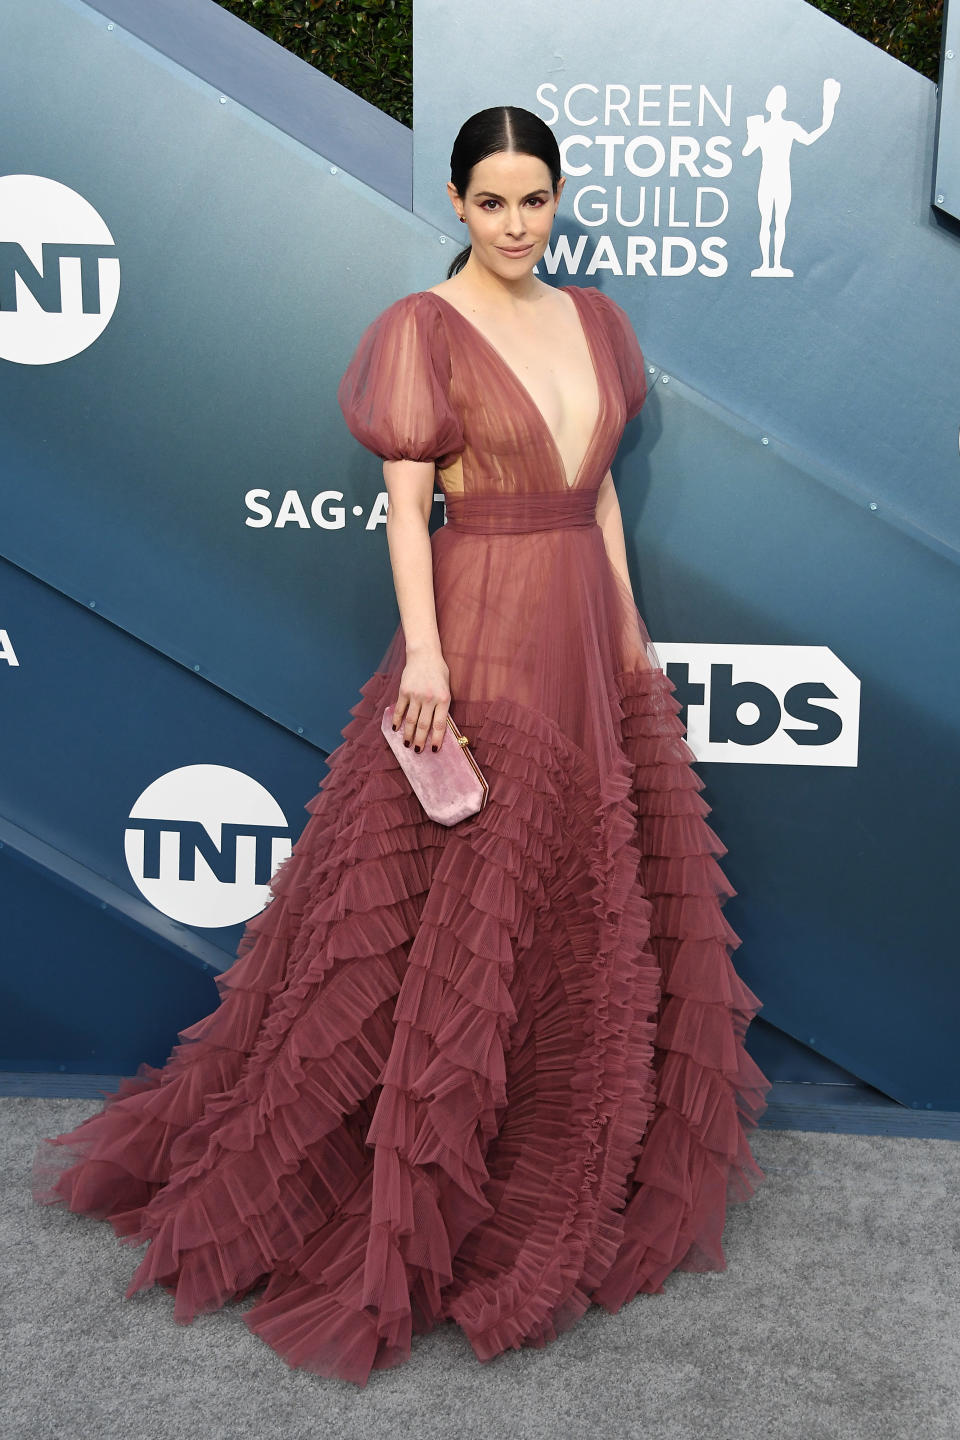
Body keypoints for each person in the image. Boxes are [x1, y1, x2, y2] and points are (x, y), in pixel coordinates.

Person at [31, 105, 772, 1387]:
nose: (517, 225)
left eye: (535, 200)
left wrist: (636, 631)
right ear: (453, 201)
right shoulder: (422, 332)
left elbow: (593, 492)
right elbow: (406, 512)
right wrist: (422, 654)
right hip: (478, 620)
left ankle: (553, 1144)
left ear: (557, 199)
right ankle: (411, 1187)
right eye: (492, 203)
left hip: (588, 629)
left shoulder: (598, 322)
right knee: (455, 914)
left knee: (574, 904)